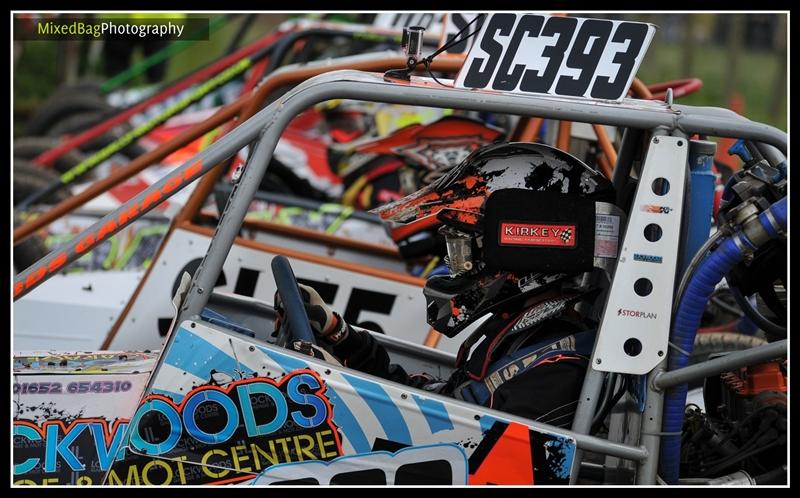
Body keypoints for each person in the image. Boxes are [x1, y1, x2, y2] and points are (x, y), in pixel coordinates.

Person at [275, 142, 617, 427]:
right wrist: (344, 339)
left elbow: (455, 447)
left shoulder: (555, 369)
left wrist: (341, 390)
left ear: (522, 247)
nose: (456, 266)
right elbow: (439, 402)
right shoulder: (520, 335)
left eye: (464, 249)